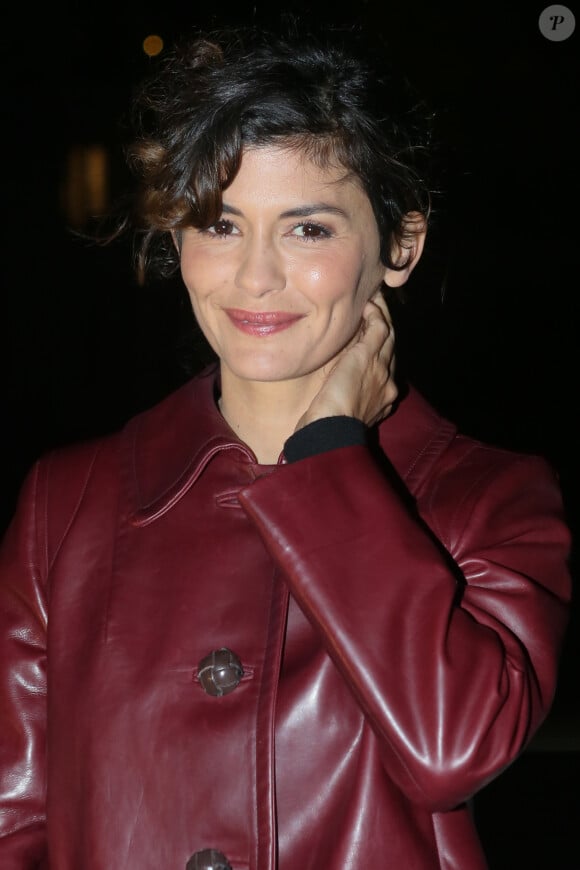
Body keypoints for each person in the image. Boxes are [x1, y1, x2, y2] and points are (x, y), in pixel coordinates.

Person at [0, 23, 572, 870]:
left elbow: (453, 749)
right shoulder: (67, 503)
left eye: (308, 230)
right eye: (221, 226)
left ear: (401, 245)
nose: (255, 276)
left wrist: (333, 456)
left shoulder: (489, 497)